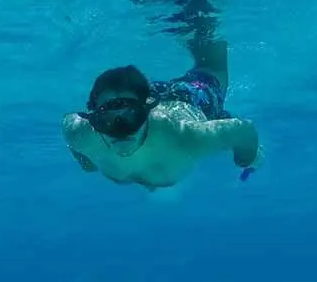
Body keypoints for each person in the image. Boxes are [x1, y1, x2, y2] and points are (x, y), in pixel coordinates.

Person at [62, 36, 262, 190]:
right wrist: (85, 161)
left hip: (192, 98)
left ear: (147, 110)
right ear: (93, 120)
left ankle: (203, 11)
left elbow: (244, 130)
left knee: (209, 54)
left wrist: (245, 158)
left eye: (131, 116)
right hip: (147, 98)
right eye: (107, 120)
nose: (121, 131)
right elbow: (69, 125)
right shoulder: (80, 134)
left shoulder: (186, 136)